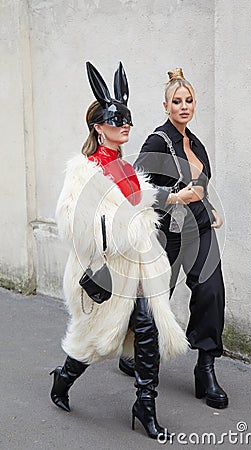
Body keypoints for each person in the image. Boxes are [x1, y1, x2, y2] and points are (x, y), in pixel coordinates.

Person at [50, 61, 188, 439]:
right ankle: (64, 377)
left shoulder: (126, 166)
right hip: (105, 271)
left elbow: (139, 202)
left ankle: (145, 405)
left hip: (138, 265)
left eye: (127, 120)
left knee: (146, 328)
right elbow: (73, 223)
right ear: (99, 127)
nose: (126, 126)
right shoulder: (83, 170)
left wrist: (165, 202)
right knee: (92, 341)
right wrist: (122, 228)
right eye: (117, 120)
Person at [119, 68, 228, 410]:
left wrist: (209, 208)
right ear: (165, 106)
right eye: (177, 101)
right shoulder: (157, 141)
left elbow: (200, 186)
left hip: (199, 228)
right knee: (155, 298)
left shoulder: (194, 143)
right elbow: (139, 191)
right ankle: (135, 350)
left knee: (211, 290)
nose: (184, 106)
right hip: (167, 233)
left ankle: (206, 367)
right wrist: (179, 198)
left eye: (189, 101)